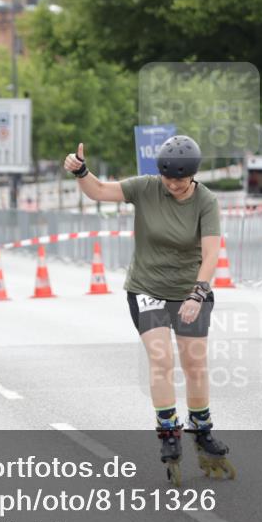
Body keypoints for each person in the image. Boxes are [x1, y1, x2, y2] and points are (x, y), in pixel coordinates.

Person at [63, 136, 234, 486]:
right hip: (147, 288)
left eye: (181, 181)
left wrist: (197, 295)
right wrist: (82, 172)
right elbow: (98, 191)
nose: (174, 185)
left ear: (193, 176)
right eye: (169, 179)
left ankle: (201, 430)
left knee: (195, 363)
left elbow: (212, 253)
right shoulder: (145, 188)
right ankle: (168, 430)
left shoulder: (206, 201)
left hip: (190, 291)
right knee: (161, 359)